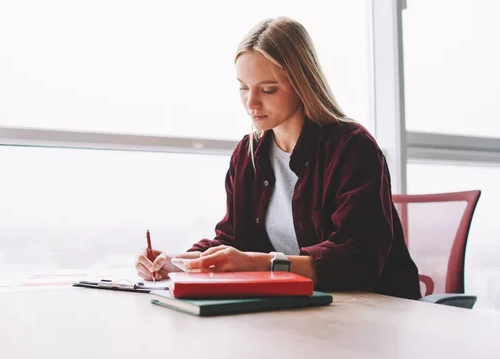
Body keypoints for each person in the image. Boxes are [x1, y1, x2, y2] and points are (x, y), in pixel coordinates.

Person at [135, 17, 421, 299]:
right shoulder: (249, 155)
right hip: (303, 310)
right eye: (244, 88)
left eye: (268, 89)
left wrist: (260, 263)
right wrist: (176, 262)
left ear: (301, 83)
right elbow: (233, 240)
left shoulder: (352, 148)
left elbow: (358, 259)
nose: (251, 103)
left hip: (374, 309)